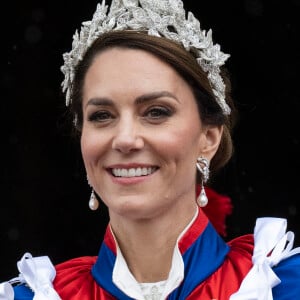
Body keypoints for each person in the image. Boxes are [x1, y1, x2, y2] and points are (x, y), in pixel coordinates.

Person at [1, 0, 300, 299]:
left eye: (156, 112)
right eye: (102, 115)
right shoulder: (33, 295)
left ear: (208, 138)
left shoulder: (281, 285)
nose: (125, 139)